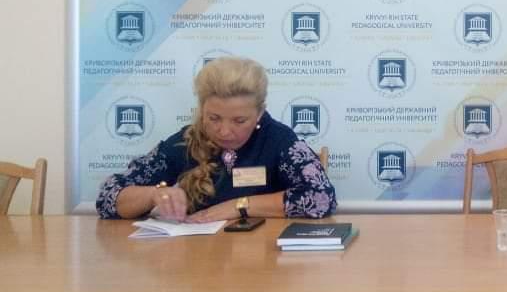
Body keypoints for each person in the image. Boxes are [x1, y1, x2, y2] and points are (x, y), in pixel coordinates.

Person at [97, 56, 336, 221]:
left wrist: (238, 206)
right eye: (214, 118)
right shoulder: (186, 141)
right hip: (200, 262)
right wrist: (153, 195)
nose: (224, 131)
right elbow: (108, 197)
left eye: (239, 121)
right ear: (202, 110)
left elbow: (322, 197)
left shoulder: (279, 140)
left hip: (264, 261)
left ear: (259, 113)